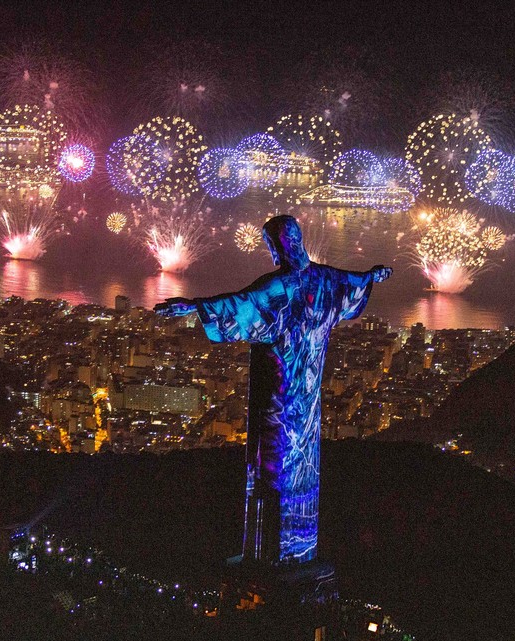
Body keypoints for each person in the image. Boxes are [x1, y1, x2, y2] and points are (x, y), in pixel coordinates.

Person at [155, 214, 391, 565]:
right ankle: (301, 548)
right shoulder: (327, 280)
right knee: (303, 465)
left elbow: (240, 304)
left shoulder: (279, 288)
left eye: (270, 245)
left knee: (271, 464)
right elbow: (354, 283)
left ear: (279, 245)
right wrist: (373, 276)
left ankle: (270, 554)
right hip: (308, 398)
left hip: (277, 394)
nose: (272, 252)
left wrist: (192, 306)